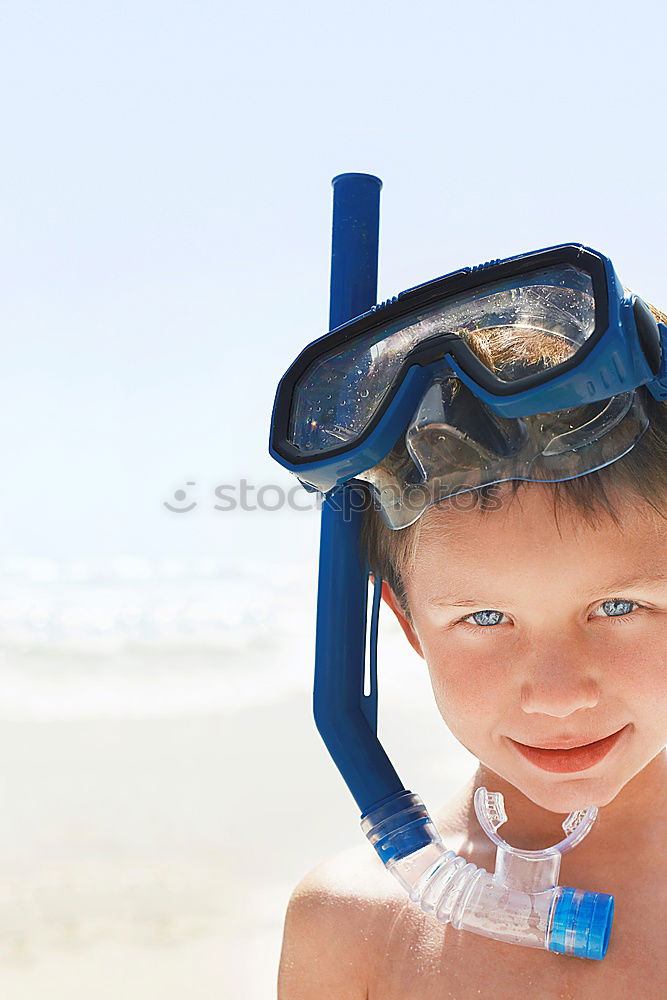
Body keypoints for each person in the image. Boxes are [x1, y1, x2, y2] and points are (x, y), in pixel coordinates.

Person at [272, 246, 667, 998]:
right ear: (409, 626)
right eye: (485, 616)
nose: (557, 696)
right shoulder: (348, 924)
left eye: (616, 607)